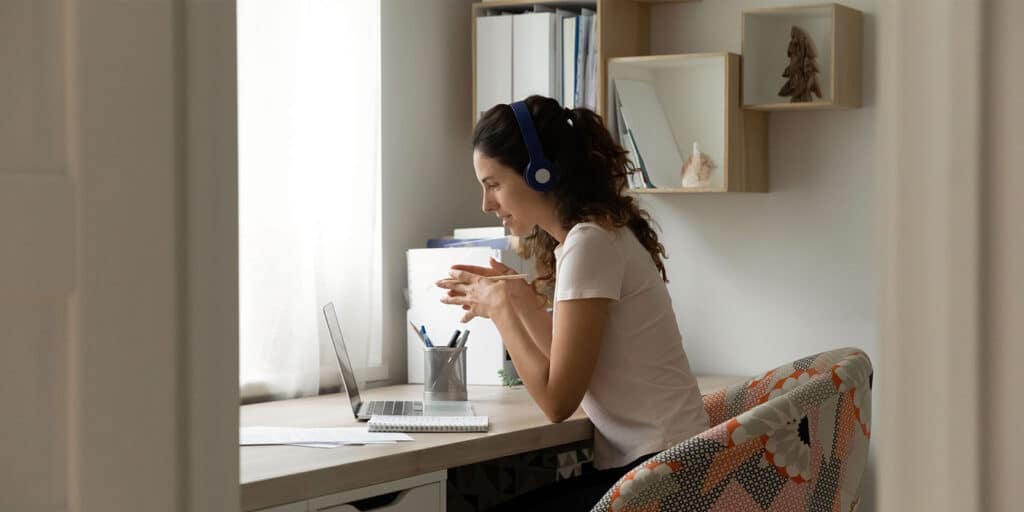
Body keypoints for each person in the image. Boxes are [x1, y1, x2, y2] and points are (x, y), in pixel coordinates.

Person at [436, 96, 708, 511]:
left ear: (539, 174)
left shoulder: (589, 244)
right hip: (663, 464)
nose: (486, 204)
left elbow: (557, 403)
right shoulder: (588, 239)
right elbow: (571, 360)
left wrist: (503, 312)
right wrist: (518, 298)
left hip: (663, 475)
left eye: (493, 184)